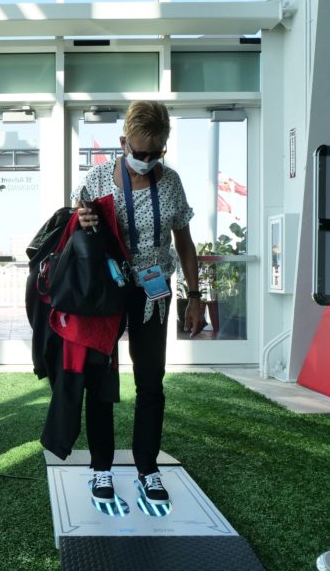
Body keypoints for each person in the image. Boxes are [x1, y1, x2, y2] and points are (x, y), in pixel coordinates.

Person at [73, 100, 204, 506]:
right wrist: (83, 222)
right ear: (123, 141)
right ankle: (101, 468)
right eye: (139, 151)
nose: (147, 160)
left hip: (153, 291)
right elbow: (74, 233)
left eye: (156, 152)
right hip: (106, 292)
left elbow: (183, 242)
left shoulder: (171, 182)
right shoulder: (95, 179)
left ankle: (147, 467)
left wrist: (195, 295)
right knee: (100, 381)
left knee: (150, 380)